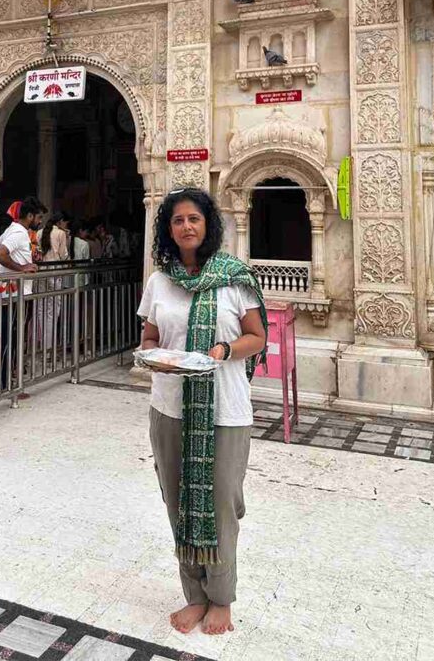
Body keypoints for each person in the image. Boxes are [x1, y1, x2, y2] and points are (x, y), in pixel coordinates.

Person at [138, 187, 267, 637]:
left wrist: (224, 350)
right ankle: (194, 594)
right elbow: (150, 339)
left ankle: (222, 598)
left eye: (194, 218)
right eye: (177, 220)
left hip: (224, 410)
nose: (186, 226)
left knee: (221, 505)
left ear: (208, 224)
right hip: (170, 407)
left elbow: (257, 337)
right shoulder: (160, 281)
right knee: (178, 502)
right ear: (168, 230)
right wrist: (154, 357)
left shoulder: (234, 278)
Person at [0, 197, 45, 390]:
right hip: (15, 293)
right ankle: (5, 382)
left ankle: (6, 379)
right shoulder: (19, 232)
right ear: (30, 216)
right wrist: (20, 268)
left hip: (14, 292)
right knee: (10, 338)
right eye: (38, 217)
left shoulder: (13, 229)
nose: (40, 221)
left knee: (11, 337)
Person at [37, 212, 70, 350]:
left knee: (40, 308)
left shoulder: (39, 233)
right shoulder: (60, 233)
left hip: (41, 272)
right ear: (60, 221)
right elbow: (64, 255)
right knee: (53, 310)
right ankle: (49, 347)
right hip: (55, 273)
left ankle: (42, 345)